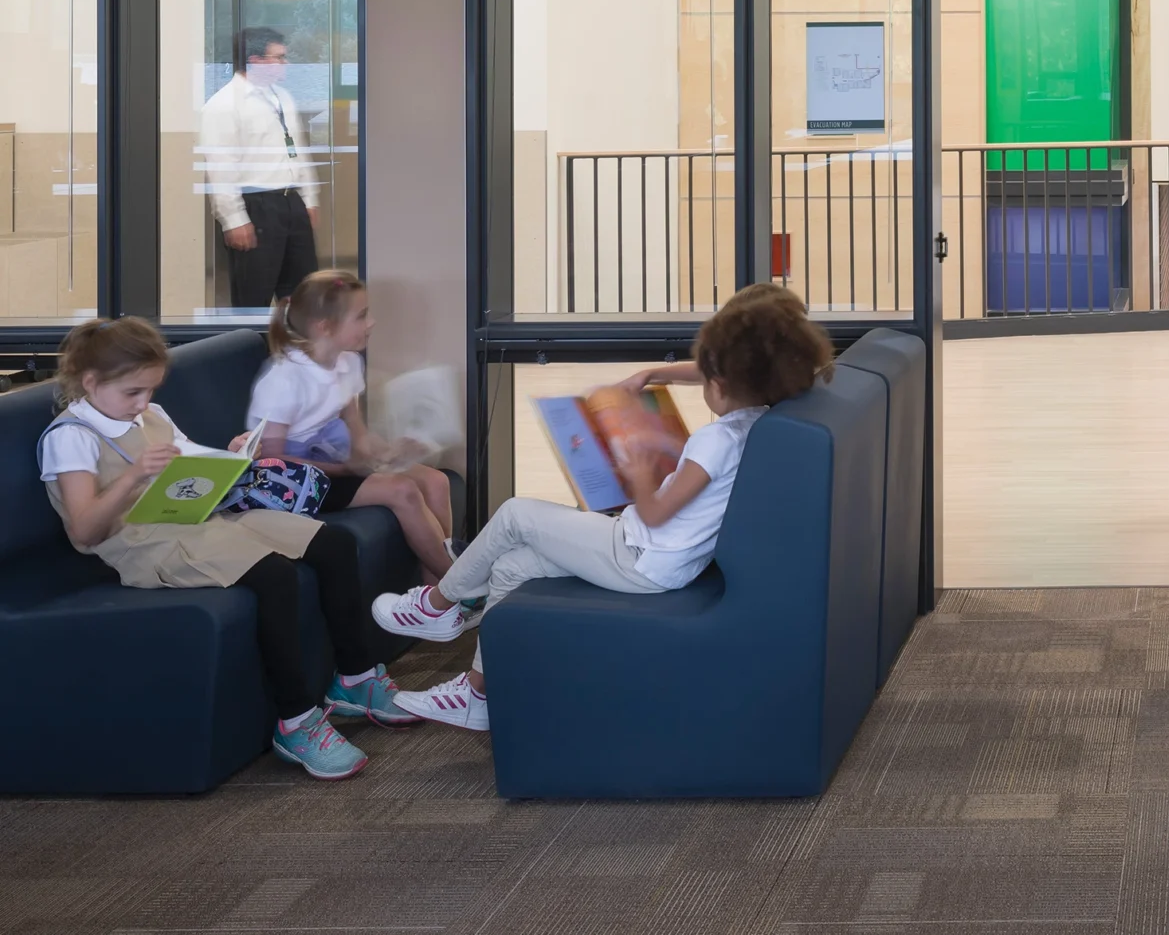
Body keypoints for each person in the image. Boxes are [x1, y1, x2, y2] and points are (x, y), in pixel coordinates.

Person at [370, 283, 834, 732]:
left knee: (515, 514)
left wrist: (636, 471)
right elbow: (722, 375)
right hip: (660, 556)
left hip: (640, 557)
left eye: (708, 377)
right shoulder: (762, 413)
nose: (704, 382)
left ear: (723, 381)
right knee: (513, 566)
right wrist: (658, 374)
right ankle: (477, 694)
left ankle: (438, 603)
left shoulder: (715, 441)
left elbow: (653, 512)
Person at [37, 317, 410, 780]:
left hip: (193, 519)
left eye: (150, 391)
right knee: (274, 576)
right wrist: (134, 475)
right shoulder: (70, 437)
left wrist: (233, 453)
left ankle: (355, 680)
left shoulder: (148, 415)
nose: (144, 403)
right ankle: (296, 721)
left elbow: (194, 461)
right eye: (133, 392)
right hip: (141, 544)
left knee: (333, 543)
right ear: (90, 382)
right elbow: (84, 532)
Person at [247, 268, 455, 578]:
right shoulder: (284, 379)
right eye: (361, 316)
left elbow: (355, 430)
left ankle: (434, 597)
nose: (371, 323)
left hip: (333, 458)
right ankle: (459, 588)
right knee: (402, 491)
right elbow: (269, 459)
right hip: (294, 476)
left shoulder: (348, 362)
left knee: (437, 482)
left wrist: (387, 453)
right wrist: (345, 469)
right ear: (325, 327)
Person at [199, 23, 319, 315]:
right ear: (255, 61)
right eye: (278, 58)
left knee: (304, 294)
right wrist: (233, 219)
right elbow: (220, 169)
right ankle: (254, 354)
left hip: (290, 202)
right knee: (254, 297)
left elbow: (298, 153)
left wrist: (309, 200)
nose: (284, 64)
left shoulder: (283, 98)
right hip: (255, 205)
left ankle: (296, 356)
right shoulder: (224, 105)